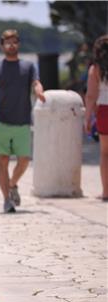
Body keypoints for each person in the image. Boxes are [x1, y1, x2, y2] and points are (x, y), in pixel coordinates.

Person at [0, 29, 46, 213]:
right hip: (1, 121)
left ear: (18, 44)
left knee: (24, 160)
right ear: (2, 45)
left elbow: (36, 83)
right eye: (8, 42)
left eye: (14, 42)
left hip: (22, 121)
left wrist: (39, 92)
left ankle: (12, 184)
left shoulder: (28, 66)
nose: (11, 45)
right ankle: (6, 200)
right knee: (3, 160)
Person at [84, 35, 108, 201]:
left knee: (105, 153)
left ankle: (106, 192)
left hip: (104, 111)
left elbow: (91, 95)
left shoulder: (96, 69)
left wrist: (87, 118)